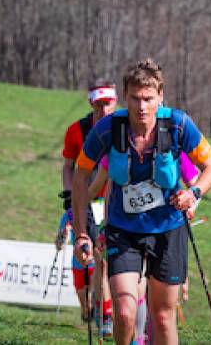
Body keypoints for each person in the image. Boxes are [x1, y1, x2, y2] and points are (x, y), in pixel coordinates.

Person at [72, 58, 211, 345]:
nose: (141, 107)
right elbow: (80, 179)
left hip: (168, 229)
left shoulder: (178, 124)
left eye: (148, 99)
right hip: (123, 230)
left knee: (163, 316)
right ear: (125, 97)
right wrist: (82, 234)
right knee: (125, 312)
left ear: (160, 97)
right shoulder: (106, 129)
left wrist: (193, 194)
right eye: (135, 99)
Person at [57, 78, 118, 336]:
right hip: (89, 202)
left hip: (116, 201)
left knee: (105, 261)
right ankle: (95, 309)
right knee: (90, 255)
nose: (103, 111)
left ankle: (106, 313)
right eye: (98, 105)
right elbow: (68, 166)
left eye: (108, 104)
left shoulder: (124, 126)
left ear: (116, 102)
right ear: (91, 103)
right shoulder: (76, 131)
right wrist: (72, 197)